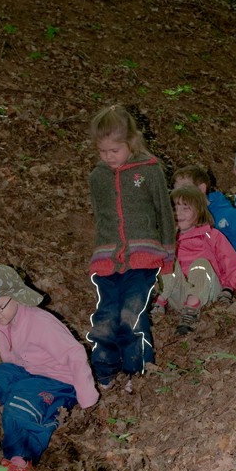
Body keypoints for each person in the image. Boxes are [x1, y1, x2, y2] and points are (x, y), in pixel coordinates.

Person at [0, 265, 99, 471]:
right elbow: (12, 358)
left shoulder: (40, 322)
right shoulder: (5, 321)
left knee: (20, 405)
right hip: (31, 374)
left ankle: (19, 461)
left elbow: (75, 353)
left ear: (17, 297)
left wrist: (86, 395)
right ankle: (29, 406)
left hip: (59, 381)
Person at [86, 103, 176, 389]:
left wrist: (169, 252)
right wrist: (101, 251)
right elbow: (101, 217)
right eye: (102, 151)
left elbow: (164, 211)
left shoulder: (149, 170)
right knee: (105, 316)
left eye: (115, 150)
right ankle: (105, 369)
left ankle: (136, 371)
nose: (108, 157)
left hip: (143, 258)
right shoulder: (97, 177)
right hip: (108, 261)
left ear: (131, 142)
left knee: (131, 314)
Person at [153, 186, 236, 335]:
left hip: (207, 292)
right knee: (169, 262)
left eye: (185, 208)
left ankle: (191, 311)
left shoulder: (211, 236)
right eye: (174, 209)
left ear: (199, 212)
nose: (178, 214)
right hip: (177, 295)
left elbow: (229, 260)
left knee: (201, 264)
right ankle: (158, 305)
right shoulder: (167, 239)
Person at [172, 163, 236, 269]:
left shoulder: (226, 215)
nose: (180, 194)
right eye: (176, 189)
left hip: (229, 272)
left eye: (185, 188)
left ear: (201, 188)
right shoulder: (181, 218)